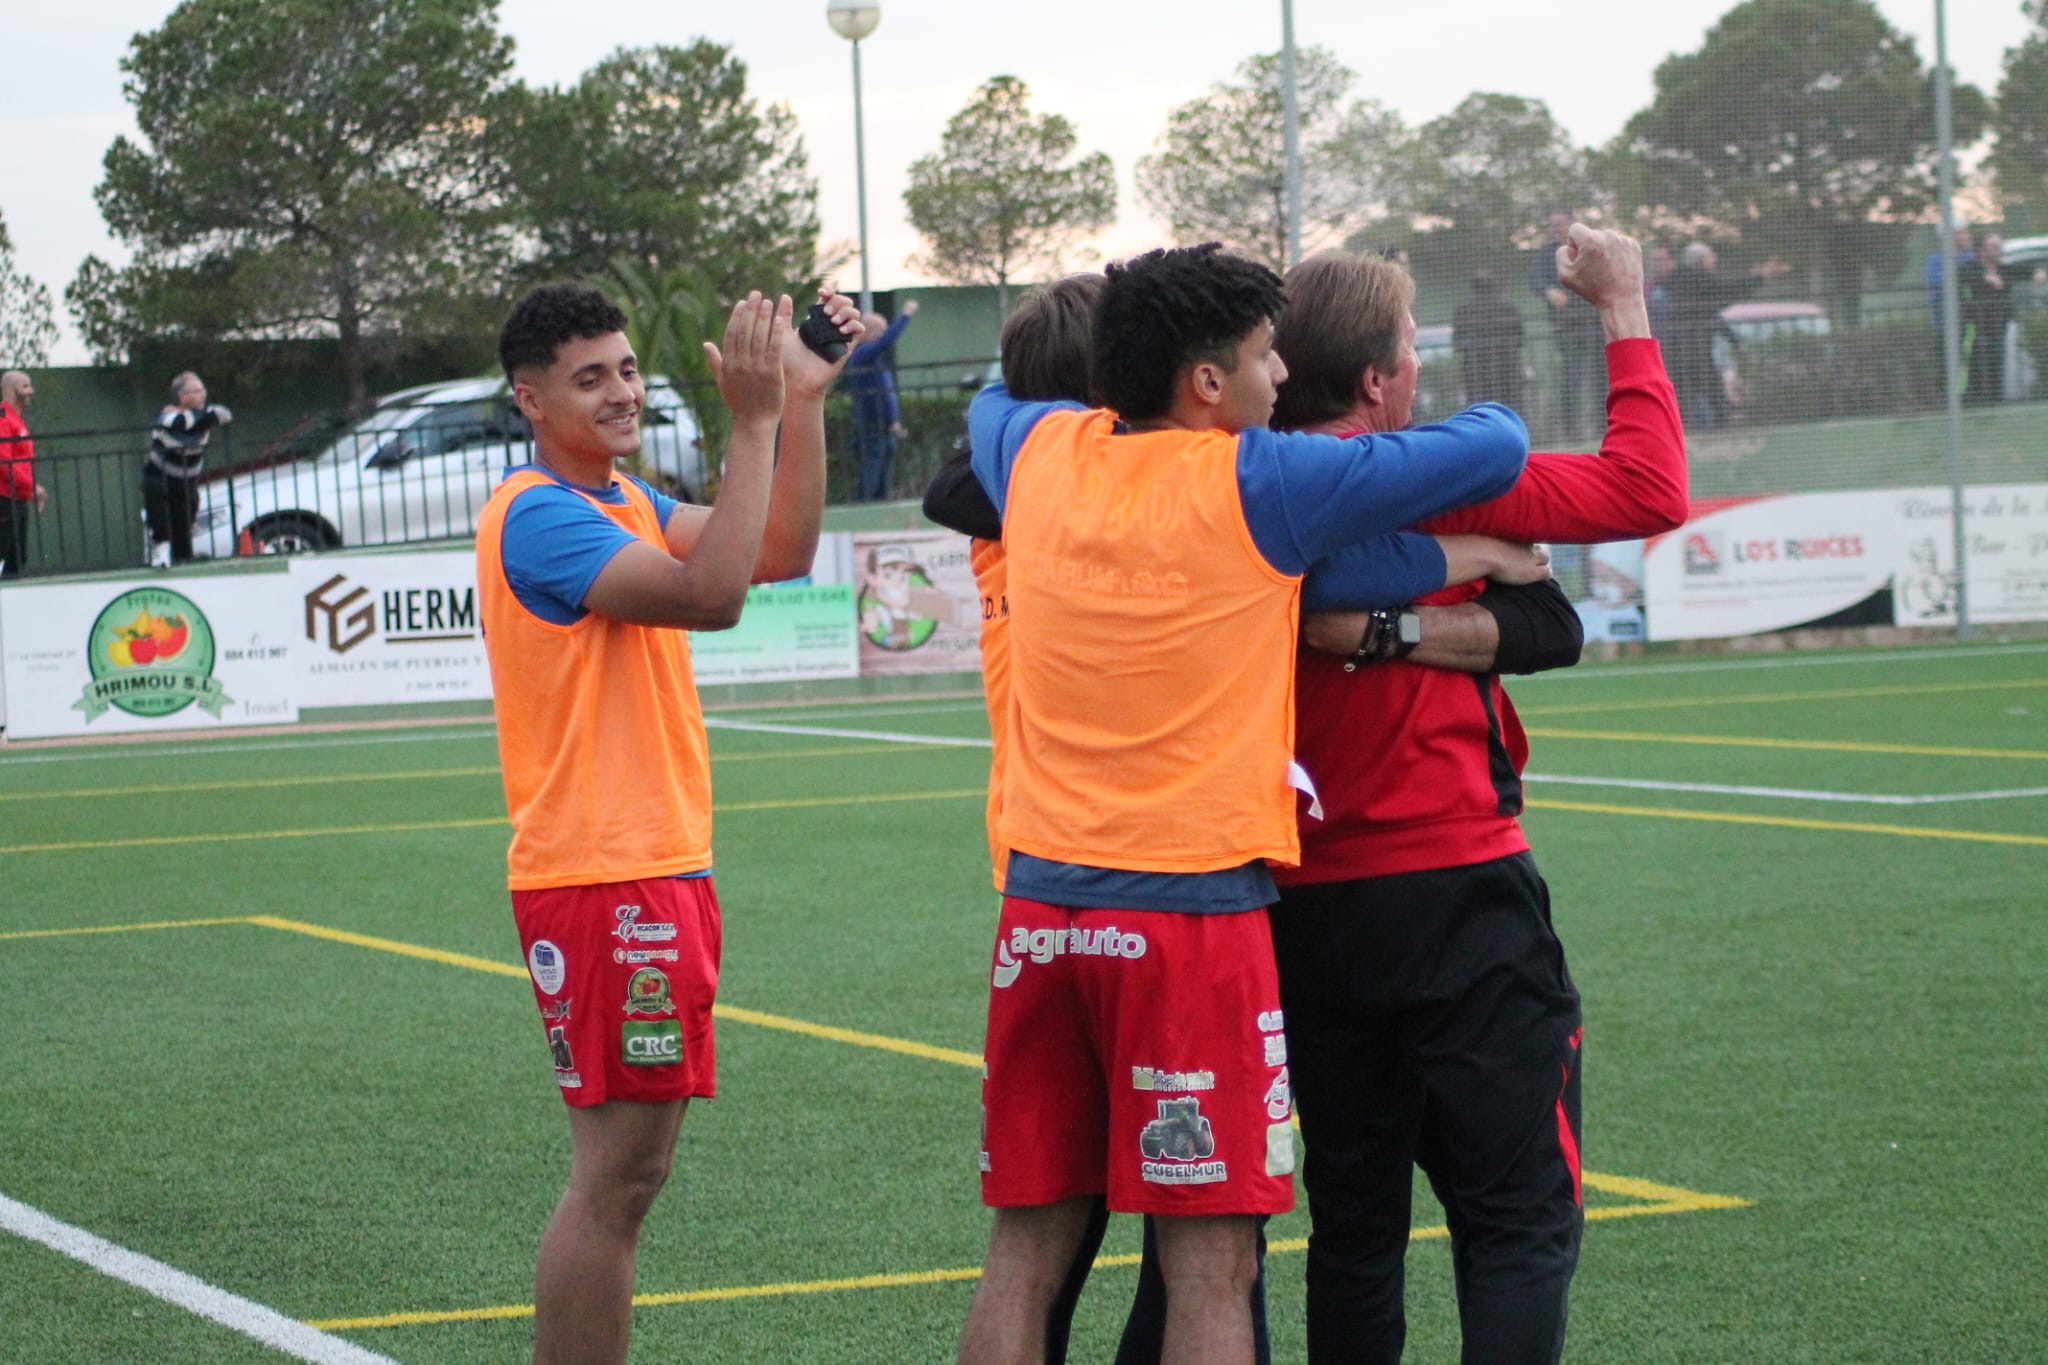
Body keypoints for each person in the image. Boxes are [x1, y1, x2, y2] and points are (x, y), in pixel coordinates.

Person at [926, 273, 1572, 1365]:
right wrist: (1478, 555)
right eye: (1265, 353)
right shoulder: (1256, 479)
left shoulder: (1037, 448)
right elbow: (1496, 445)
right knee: (1213, 1262)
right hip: (1189, 919)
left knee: (1023, 1251)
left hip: (1038, 911)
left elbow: (994, 401)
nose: (1282, 372)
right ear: (1207, 382)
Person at [1265, 225, 1688, 1364]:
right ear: (1376, 382)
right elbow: (1651, 487)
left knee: (1354, 1228)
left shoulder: (1241, 486)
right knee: (1517, 1218)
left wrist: (1388, 626)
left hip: (1302, 904)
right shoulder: (1444, 475)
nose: (1422, 366)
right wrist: (1623, 304)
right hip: (1457, 890)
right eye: (1412, 347)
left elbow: (1546, 625)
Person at [475, 280, 859, 1365]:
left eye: (628, 368)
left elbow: (776, 551)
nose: (621, 392)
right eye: (588, 378)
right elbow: (712, 597)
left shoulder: (624, 500)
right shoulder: (539, 512)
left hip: (651, 867)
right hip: (604, 873)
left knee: (628, 1178)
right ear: (531, 400)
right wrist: (751, 420)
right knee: (617, 1180)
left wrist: (799, 405)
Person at [1664, 243, 1787, 432]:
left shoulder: (1689, 282)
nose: (1714, 261)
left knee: (1691, 403)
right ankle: (1715, 435)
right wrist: (1760, 276)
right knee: (1707, 401)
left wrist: (1734, 341)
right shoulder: (1695, 280)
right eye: (1711, 257)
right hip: (1691, 356)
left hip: (1690, 355)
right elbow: (1728, 290)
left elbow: (1713, 315)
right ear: (1701, 261)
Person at [1528, 212, 1605, 442]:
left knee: (1600, 374)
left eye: (1560, 224)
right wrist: (1548, 291)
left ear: (1572, 225)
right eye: (1553, 225)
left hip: (1593, 321)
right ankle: (1571, 429)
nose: (1556, 228)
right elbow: (1534, 280)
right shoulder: (1546, 253)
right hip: (1566, 325)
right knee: (1572, 374)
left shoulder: (1586, 248)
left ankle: (1604, 424)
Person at [146, 372, 232, 567]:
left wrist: (198, 417)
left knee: (184, 521)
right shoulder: (165, 414)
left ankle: (183, 560)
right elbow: (179, 423)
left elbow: (224, 414)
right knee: (157, 505)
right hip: (160, 474)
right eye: (197, 391)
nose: (203, 395)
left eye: (203, 390)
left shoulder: (203, 413)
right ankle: (161, 551)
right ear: (182, 396)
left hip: (186, 480)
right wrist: (203, 418)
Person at [844, 297, 919, 500]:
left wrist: (894, 421)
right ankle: (864, 509)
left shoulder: (875, 361)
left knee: (884, 479)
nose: (883, 335)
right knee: (871, 478)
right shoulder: (862, 355)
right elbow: (886, 342)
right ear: (867, 332)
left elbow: (886, 396)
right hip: (870, 429)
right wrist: (905, 315)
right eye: (880, 330)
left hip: (883, 428)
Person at [0, 370, 49, 577]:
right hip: (4, 500)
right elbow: (4, 461)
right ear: (10, 389)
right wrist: (32, 487)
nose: (30, 391)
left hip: (17, 499)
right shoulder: (3, 418)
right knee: (7, 555)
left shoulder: (17, 420)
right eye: (25, 386)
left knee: (17, 560)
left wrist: (29, 490)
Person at [1451, 273, 1524, 409]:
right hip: (1505, 363)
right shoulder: (1506, 305)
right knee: (1509, 398)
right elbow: (1519, 334)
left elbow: (1458, 340)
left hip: (1476, 367)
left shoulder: (1465, 308)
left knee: (1478, 399)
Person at [1963, 233, 2013, 405]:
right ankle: (1975, 400)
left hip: (2000, 329)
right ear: (1982, 250)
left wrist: (2037, 273)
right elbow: (1961, 277)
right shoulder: (1971, 269)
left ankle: (1996, 399)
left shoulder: (2005, 269)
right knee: (1977, 365)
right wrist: (1985, 280)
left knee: (1997, 364)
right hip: (1976, 330)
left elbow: (2023, 272)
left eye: (2000, 246)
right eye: (1994, 247)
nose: (1999, 251)